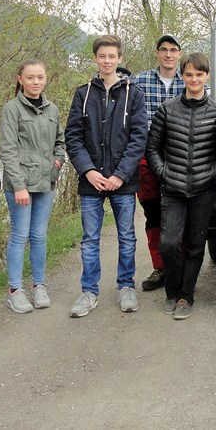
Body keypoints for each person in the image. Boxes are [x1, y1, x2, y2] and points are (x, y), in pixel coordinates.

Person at [65, 35, 147, 318]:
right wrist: (88, 171)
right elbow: (73, 137)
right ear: (95, 59)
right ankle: (89, 291)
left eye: (112, 56)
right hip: (91, 182)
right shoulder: (83, 93)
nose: (107, 61)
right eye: (102, 56)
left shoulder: (133, 94)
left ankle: (126, 286)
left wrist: (121, 175)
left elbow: (139, 138)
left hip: (123, 182)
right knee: (90, 238)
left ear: (120, 59)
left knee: (127, 236)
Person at [145, 52, 216, 320]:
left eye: (199, 74)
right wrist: (164, 173)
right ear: (182, 75)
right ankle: (171, 291)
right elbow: (153, 148)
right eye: (188, 74)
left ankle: (186, 296)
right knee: (169, 243)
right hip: (172, 189)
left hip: (204, 190)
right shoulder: (166, 110)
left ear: (206, 76)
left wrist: (212, 175)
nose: (193, 79)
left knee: (194, 245)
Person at [0, 59, 65, 313]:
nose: (36, 82)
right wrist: (18, 186)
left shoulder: (52, 110)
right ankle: (15, 290)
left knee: (39, 235)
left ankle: (39, 285)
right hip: (20, 185)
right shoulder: (12, 110)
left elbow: (61, 141)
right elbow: (8, 150)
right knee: (20, 235)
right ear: (20, 80)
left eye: (40, 77)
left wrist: (58, 162)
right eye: (30, 78)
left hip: (46, 183)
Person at [133, 34, 185, 292]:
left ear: (179, 54)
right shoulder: (138, 81)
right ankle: (160, 267)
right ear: (157, 53)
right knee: (153, 215)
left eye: (173, 50)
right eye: (163, 50)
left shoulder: (189, 80)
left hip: (179, 158)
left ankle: (180, 266)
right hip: (146, 159)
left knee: (178, 215)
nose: (168, 54)